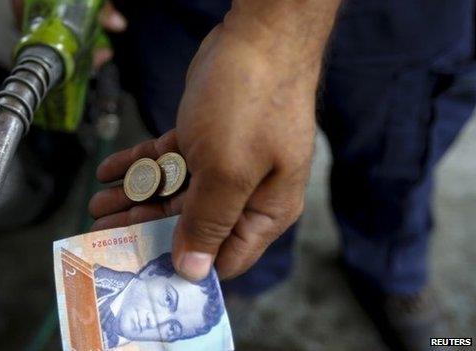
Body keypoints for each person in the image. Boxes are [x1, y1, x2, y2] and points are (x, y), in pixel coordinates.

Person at [78, 1, 476, 350]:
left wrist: (269, 35)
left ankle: (391, 271)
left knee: (394, 159)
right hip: (182, 13)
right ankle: (237, 283)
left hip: (404, 18)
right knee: (210, 174)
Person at [94, 253, 224, 348]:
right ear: (151, 272)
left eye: (173, 328)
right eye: (168, 299)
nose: (158, 321)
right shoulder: (92, 277)